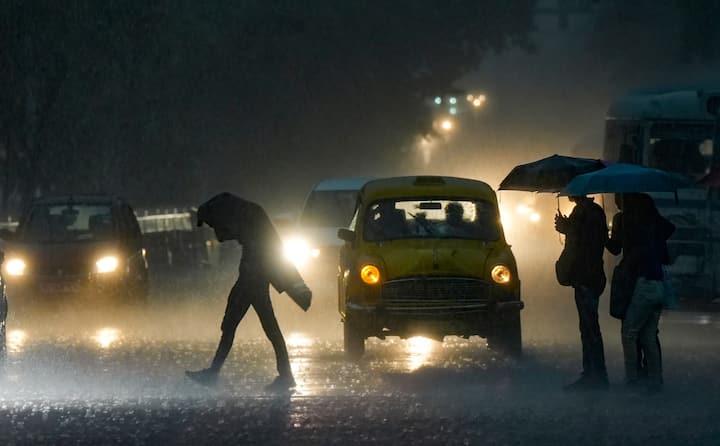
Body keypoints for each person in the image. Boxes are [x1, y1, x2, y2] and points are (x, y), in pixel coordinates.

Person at [185, 193, 312, 391]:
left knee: (237, 325)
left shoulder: (244, 218)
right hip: (253, 277)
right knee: (256, 326)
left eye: (212, 224)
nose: (215, 231)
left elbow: (227, 236)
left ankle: (214, 373)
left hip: (252, 279)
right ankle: (284, 375)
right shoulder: (249, 214)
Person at [606, 193, 675, 394]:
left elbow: (615, 249)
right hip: (659, 282)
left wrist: (606, 235)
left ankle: (633, 380)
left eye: (619, 197)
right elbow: (670, 229)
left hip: (641, 285)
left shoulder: (625, 221)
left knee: (629, 333)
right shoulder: (652, 224)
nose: (616, 201)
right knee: (649, 335)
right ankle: (655, 380)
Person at [554, 195, 609, 391]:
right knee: (588, 327)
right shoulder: (592, 212)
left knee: (589, 328)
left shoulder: (587, 213)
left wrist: (566, 228)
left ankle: (595, 375)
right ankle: (594, 373)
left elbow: (584, 243)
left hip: (586, 276)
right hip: (590, 276)